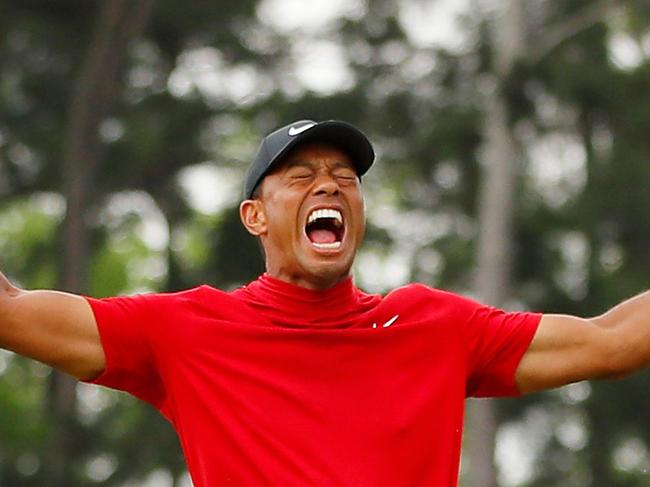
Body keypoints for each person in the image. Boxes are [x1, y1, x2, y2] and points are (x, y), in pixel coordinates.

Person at [0, 119, 648, 486]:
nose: (329, 184)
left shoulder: (436, 326)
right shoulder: (185, 330)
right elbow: (14, 311)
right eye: (302, 175)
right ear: (255, 215)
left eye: (345, 177)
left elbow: (613, 341)